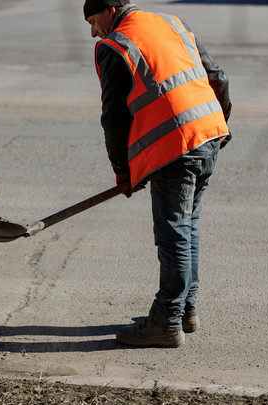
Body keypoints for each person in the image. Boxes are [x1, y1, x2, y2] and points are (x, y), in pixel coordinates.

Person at [84, 0, 232, 347]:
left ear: (110, 9)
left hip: (175, 148)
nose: (93, 31)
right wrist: (218, 125)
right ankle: (184, 311)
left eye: (92, 20)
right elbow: (218, 77)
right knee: (187, 227)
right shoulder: (171, 23)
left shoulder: (116, 45)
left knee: (173, 234)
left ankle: (166, 321)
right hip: (208, 133)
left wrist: (123, 171)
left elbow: (115, 121)